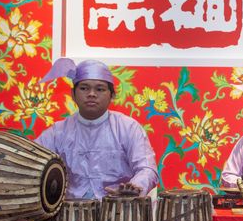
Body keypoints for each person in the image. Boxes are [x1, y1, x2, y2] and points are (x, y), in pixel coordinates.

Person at [37, 58, 158, 199]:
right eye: (84, 88)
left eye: (100, 89)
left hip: (119, 207)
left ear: (112, 95)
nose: (91, 94)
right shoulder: (57, 132)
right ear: (73, 94)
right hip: (71, 210)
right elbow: (32, 161)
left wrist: (134, 186)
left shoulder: (128, 128)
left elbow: (147, 168)